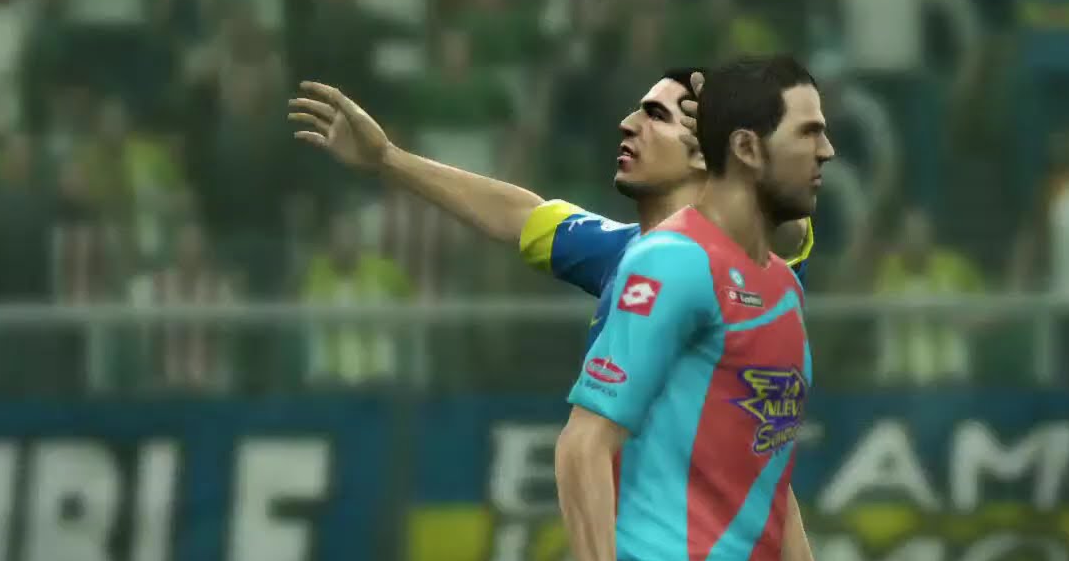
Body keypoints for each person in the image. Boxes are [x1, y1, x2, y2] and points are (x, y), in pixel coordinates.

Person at [286, 69, 814, 350]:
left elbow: (784, 225)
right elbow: (518, 213)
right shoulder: (623, 254)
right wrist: (388, 159)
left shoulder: (749, 251)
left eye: (655, 116)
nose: (628, 124)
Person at [554, 55, 832, 561]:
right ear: (746, 148)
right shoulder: (673, 260)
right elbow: (583, 445)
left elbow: (766, 481)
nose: (826, 150)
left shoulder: (785, 288)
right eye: (808, 133)